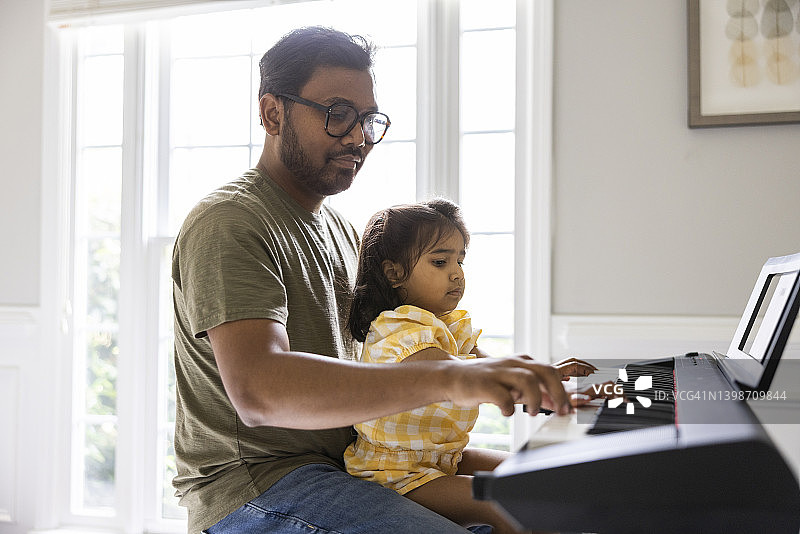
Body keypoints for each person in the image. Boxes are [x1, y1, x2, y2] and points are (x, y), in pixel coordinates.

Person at [171, 26, 595, 534]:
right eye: (337, 114)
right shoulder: (230, 222)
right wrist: (455, 377)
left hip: (350, 466)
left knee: (553, 499)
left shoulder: (345, 233)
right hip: (260, 485)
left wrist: (516, 378)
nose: (357, 136)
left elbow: (397, 350)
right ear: (272, 113)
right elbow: (259, 391)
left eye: (368, 119)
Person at [343, 199, 605, 534]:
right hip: (394, 473)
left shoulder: (451, 325)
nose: (456, 273)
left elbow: (489, 368)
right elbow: (459, 376)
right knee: (507, 503)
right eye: (440, 261)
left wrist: (551, 378)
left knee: (536, 473)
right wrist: (531, 384)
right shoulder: (396, 330)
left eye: (460, 260)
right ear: (394, 273)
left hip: (443, 459)